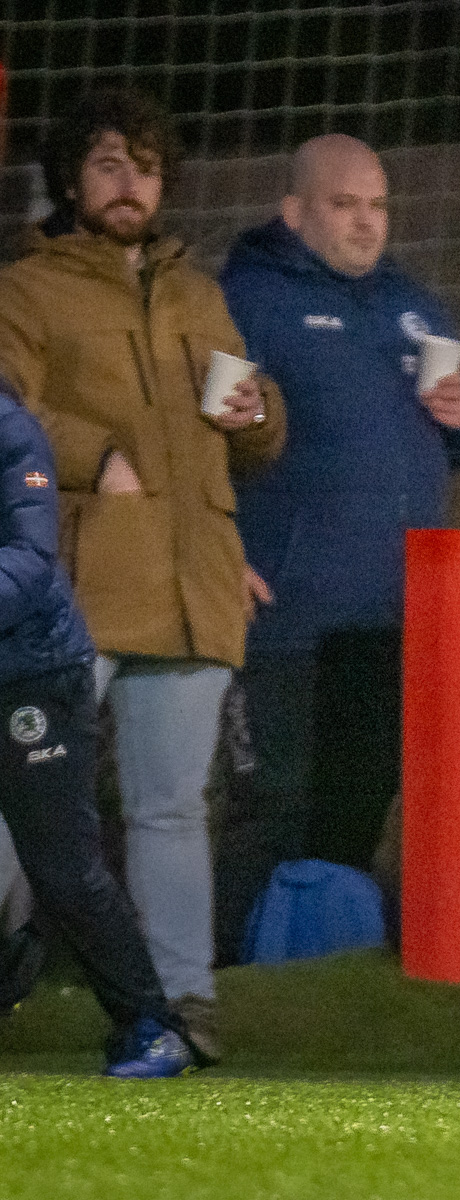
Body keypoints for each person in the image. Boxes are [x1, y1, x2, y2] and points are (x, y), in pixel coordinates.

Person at [0, 89, 283, 1064]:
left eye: (148, 167)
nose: (132, 185)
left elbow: (255, 433)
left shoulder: (198, 293)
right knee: (22, 809)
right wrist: (92, 455)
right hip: (71, 595)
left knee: (172, 813)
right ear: (70, 178)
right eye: (111, 164)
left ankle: (180, 1008)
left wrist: (259, 413)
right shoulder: (25, 291)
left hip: (192, 590)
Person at [211, 134, 460, 961]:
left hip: (392, 610)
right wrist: (220, 547)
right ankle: (219, 974)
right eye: (344, 204)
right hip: (286, 615)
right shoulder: (246, 301)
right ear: (294, 212)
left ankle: (316, 968)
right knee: (272, 804)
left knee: (359, 804)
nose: (367, 223)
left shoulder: (411, 303)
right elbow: (205, 437)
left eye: (376, 205)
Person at [0, 317, 200, 1078]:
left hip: (32, 675)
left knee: (63, 867)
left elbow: (28, 556)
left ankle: (153, 1024)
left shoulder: (12, 432)